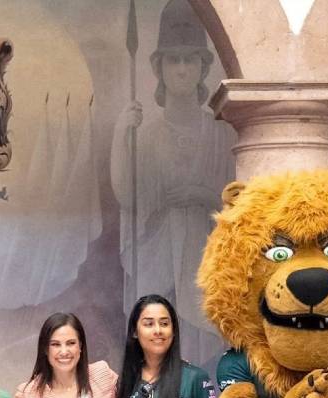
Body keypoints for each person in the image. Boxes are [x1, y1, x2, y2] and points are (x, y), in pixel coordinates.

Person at [110, 0, 234, 371]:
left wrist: (203, 196)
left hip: (204, 258)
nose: (181, 69)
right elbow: (127, 196)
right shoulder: (144, 135)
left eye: (189, 60)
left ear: (202, 67)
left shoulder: (221, 134)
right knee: (159, 356)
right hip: (158, 257)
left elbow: (241, 205)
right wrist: (120, 134)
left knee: (206, 360)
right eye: (173, 60)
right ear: (159, 68)